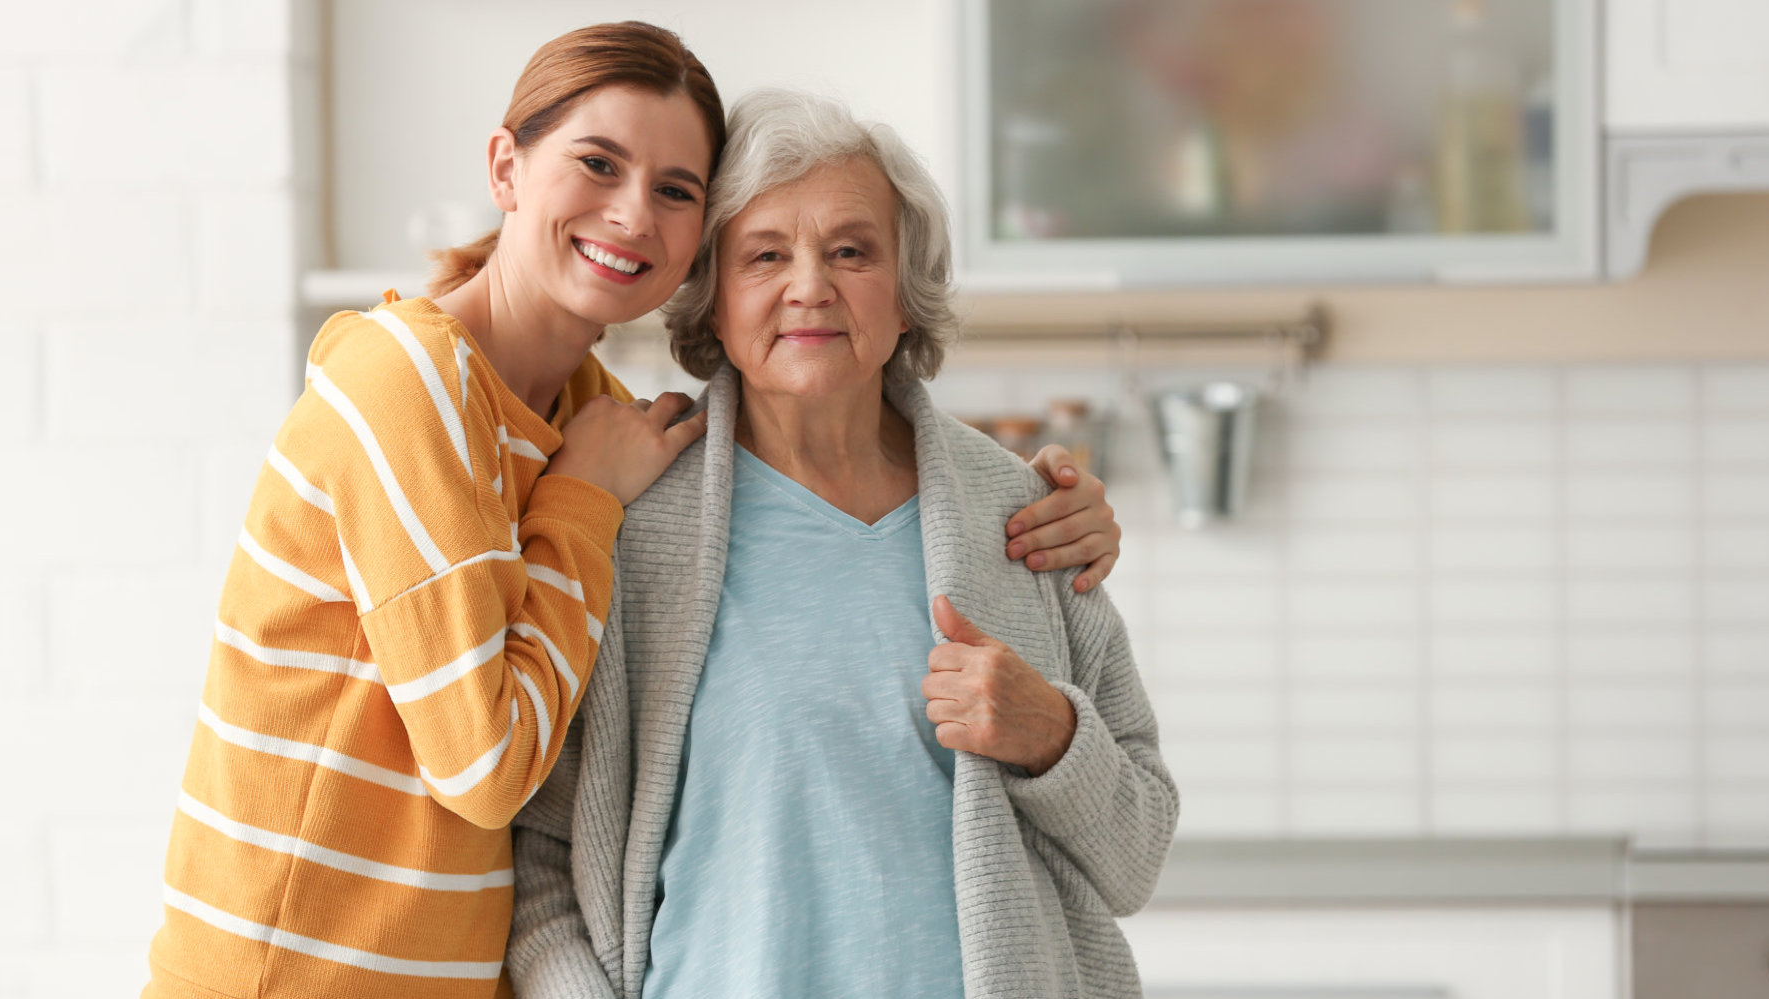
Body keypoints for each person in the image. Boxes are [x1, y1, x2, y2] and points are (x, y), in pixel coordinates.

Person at [144, 23, 1121, 999]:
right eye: (597, 164)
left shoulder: (589, 419)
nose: (630, 215)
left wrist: (1038, 501)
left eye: (674, 191)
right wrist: (582, 498)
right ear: (505, 166)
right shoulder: (413, 388)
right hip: (288, 978)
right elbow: (493, 769)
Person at [506, 89, 1177, 999]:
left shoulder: (1025, 518)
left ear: (906, 297)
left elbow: (1137, 856)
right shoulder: (631, 524)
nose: (810, 285)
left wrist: (1052, 736)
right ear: (710, 304)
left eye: (852, 251)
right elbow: (541, 856)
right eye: (766, 254)